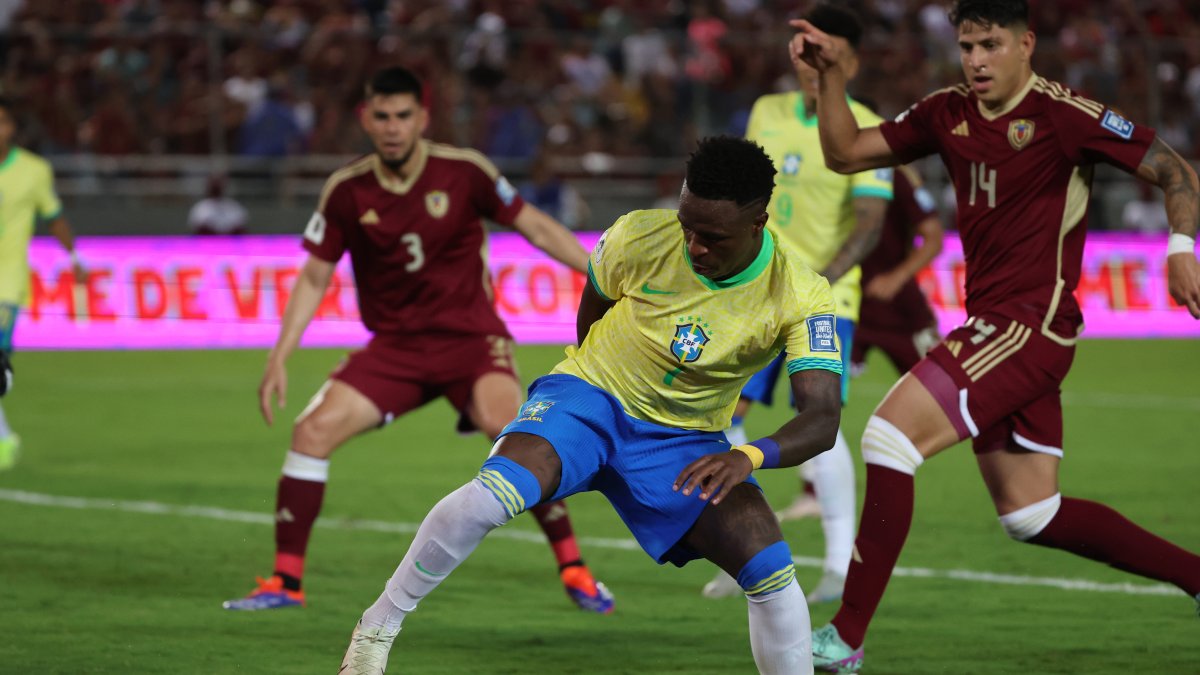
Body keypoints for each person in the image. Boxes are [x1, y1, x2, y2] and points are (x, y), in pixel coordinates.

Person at [791, 1, 1200, 671]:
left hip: (1031, 324)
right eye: (967, 46)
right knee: (1031, 511)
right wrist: (832, 76)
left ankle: (845, 638)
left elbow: (1177, 169)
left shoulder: (1066, 117)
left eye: (990, 44)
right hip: (989, 322)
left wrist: (1180, 246)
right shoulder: (943, 113)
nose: (977, 59)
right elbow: (845, 153)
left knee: (888, 436)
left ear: (1026, 44)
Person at [339, 136, 844, 675]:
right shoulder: (638, 234)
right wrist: (584, 391)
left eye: (713, 237)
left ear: (757, 222)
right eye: (687, 226)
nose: (694, 246)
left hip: (684, 441)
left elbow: (822, 418)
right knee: (494, 495)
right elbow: (592, 314)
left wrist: (749, 455)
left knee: (769, 564)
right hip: (592, 396)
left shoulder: (800, 294)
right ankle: (376, 630)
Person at [223, 67, 614, 615]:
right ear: (365, 119)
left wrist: (600, 277)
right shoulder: (347, 190)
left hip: (472, 340)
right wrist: (279, 354)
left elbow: (537, 227)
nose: (392, 127)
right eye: (381, 116)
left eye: (403, 115)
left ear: (422, 118)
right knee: (311, 431)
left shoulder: (465, 172)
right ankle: (286, 581)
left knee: (516, 436)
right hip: (397, 348)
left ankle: (574, 567)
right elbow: (314, 275)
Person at [707, 4, 891, 606]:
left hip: (824, 299)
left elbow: (869, 224)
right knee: (720, 416)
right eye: (804, 53)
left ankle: (839, 563)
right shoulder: (767, 112)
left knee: (822, 420)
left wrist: (818, 279)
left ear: (849, 61)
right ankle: (742, 550)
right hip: (751, 293)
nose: (811, 65)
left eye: (825, 54)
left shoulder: (867, 127)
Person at [0, 96, 84, 471]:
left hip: (6, 283)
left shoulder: (34, 171)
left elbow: (55, 217)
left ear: (12, 128)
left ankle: (3, 438)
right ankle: (4, 440)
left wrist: (75, 257)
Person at [850, 164, 944, 376]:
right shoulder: (828, 170)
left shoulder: (897, 177)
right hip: (845, 301)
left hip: (896, 307)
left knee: (937, 385)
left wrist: (896, 278)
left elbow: (934, 238)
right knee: (820, 391)